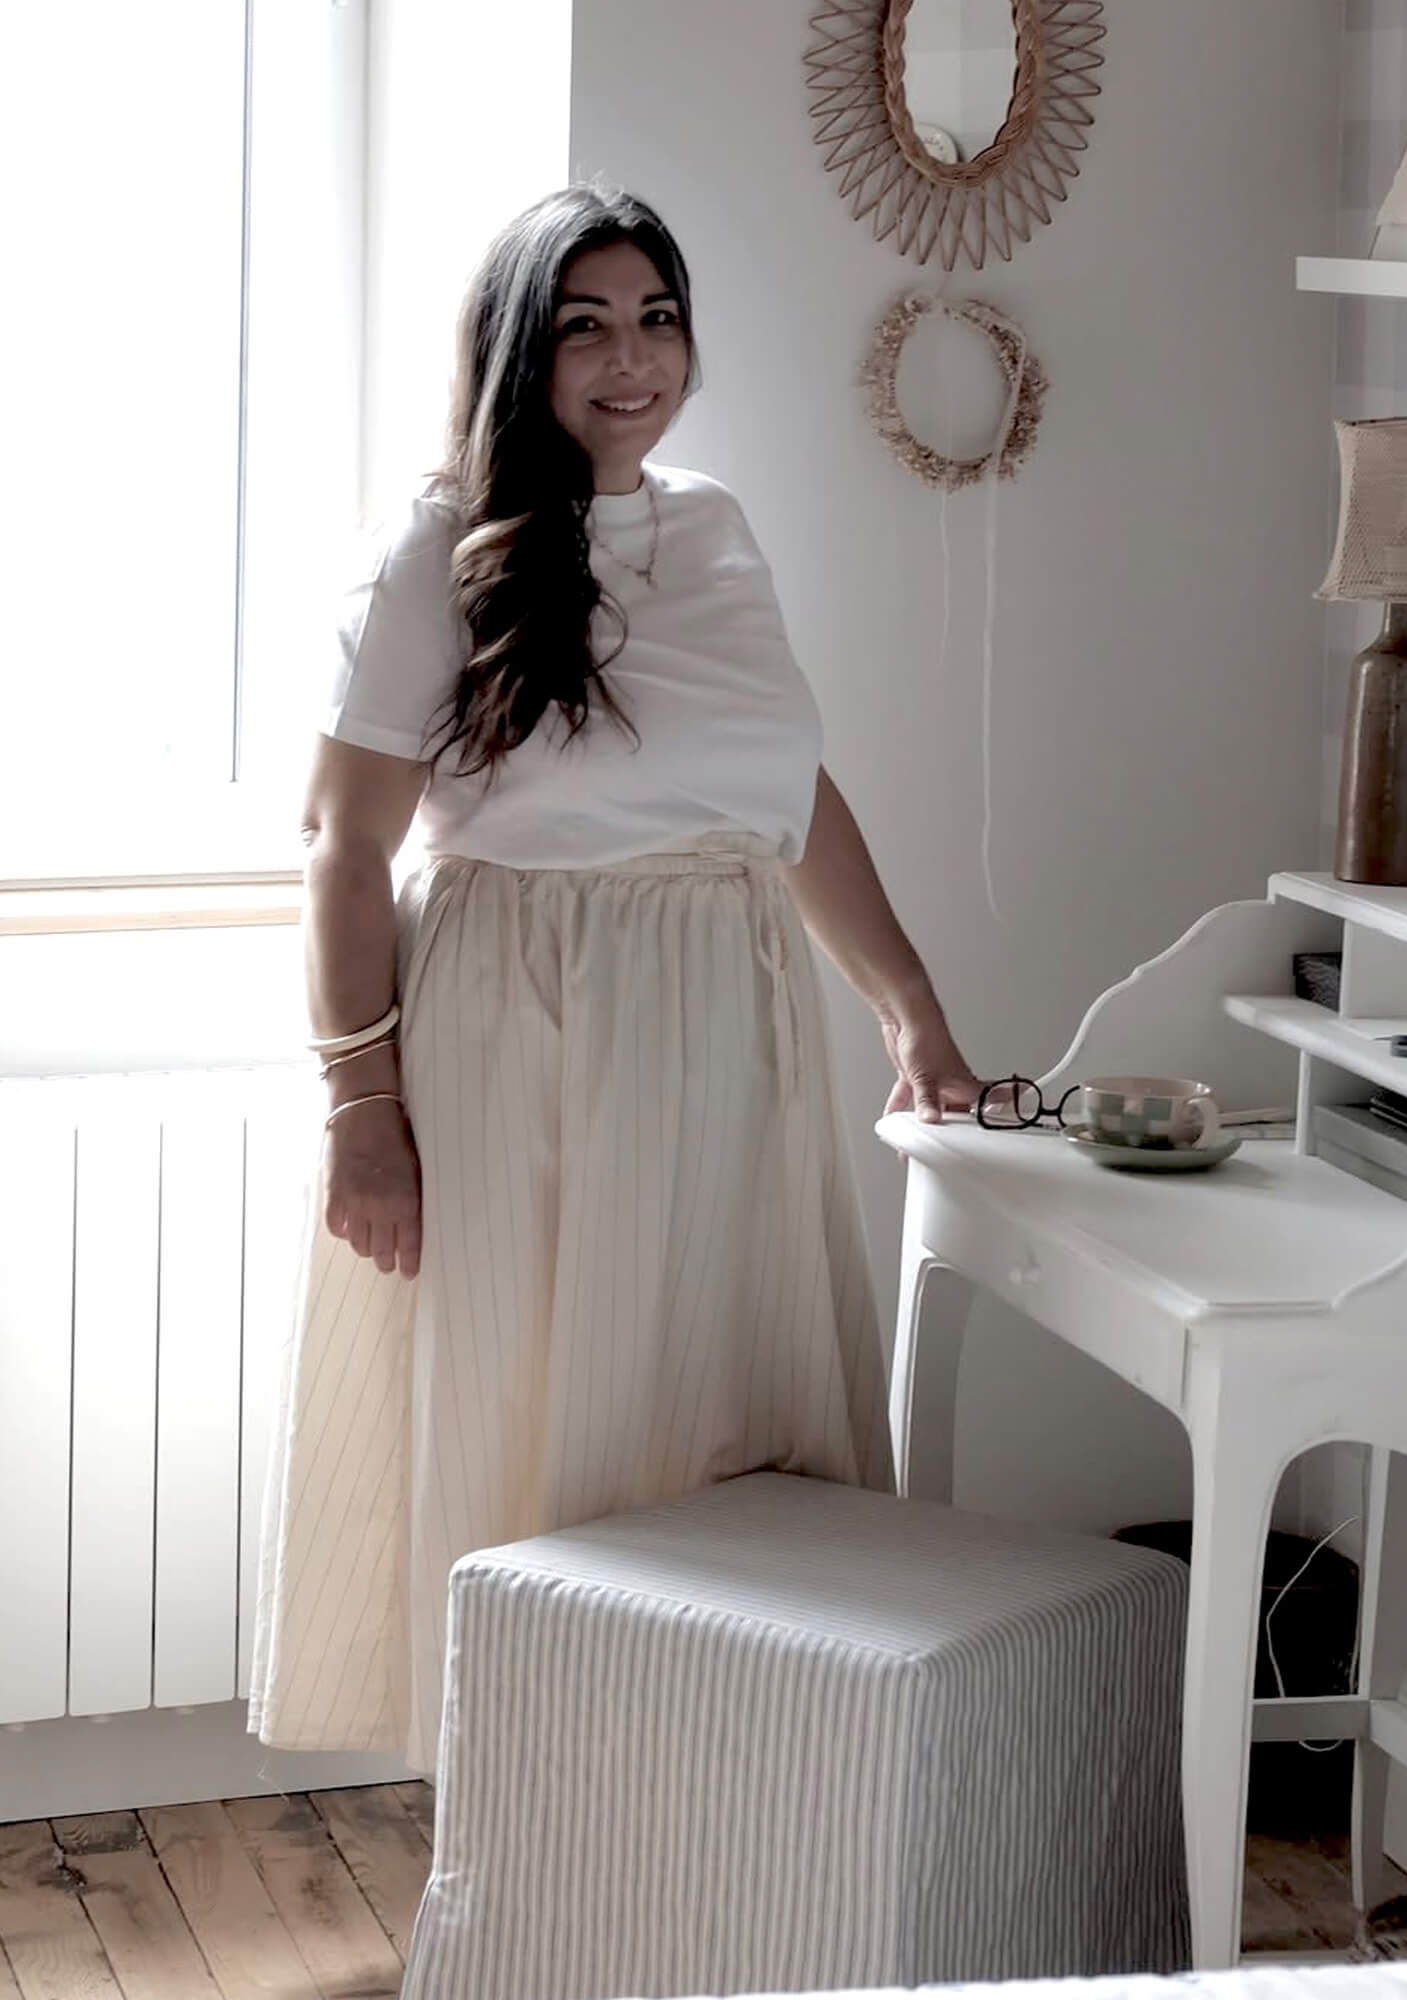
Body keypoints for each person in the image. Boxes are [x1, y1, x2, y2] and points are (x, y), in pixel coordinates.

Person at [249, 185, 981, 1773]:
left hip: (731, 1023)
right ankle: (539, 1806)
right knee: (549, 1437)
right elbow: (341, 845)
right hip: (528, 1029)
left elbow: (785, 793)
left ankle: (719, 1795)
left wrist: (908, 1007)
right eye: (585, 327)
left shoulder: (714, 528)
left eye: (657, 319)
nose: (632, 359)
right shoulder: (435, 549)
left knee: (722, 1417)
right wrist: (360, 1110)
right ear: (520, 351)